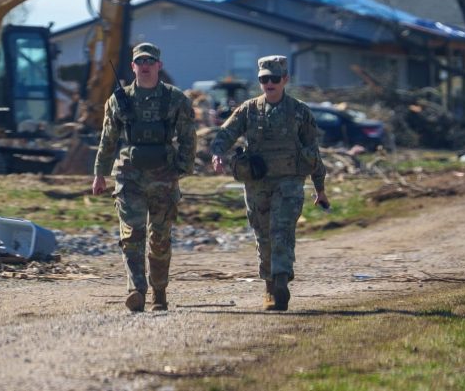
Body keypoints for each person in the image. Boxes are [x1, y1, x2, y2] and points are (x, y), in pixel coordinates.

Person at [209, 55, 330, 311]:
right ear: (260, 80)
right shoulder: (249, 110)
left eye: (275, 79)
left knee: (282, 231)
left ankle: (281, 281)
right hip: (257, 183)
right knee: (263, 234)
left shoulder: (300, 112)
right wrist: (218, 153)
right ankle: (270, 285)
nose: (270, 83)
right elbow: (226, 133)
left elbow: (313, 153)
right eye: (265, 79)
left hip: (289, 182)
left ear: (285, 80)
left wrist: (320, 189)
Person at [92, 42, 197, 312]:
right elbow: (108, 139)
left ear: (159, 66)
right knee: (132, 235)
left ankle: (159, 291)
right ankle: (136, 290)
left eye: (151, 61)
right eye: (141, 61)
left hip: (164, 177)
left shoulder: (175, 99)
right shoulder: (119, 100)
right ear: (133, 66)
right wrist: (100, 174)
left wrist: (182, 168)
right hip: (129, 177)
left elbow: (188, 137)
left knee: (160, 237)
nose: (146, 65)